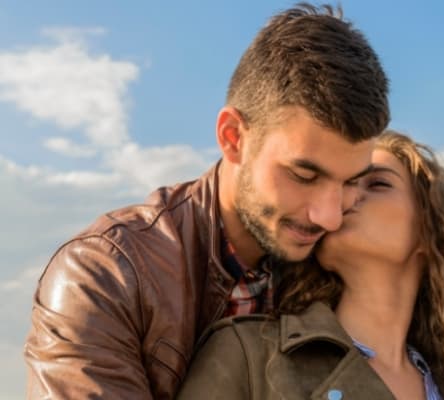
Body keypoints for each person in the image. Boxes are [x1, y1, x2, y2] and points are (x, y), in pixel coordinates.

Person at [24, 4, 391, 398]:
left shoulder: (335, 268)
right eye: (304, 176)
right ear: (233, 137)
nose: (330, 216)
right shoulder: (103, 278)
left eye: (352, 181)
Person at [176, 132, 444, 399]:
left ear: (430, 232)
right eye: (340, 186)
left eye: (376, 184)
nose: (345, 198)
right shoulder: (249, 355)